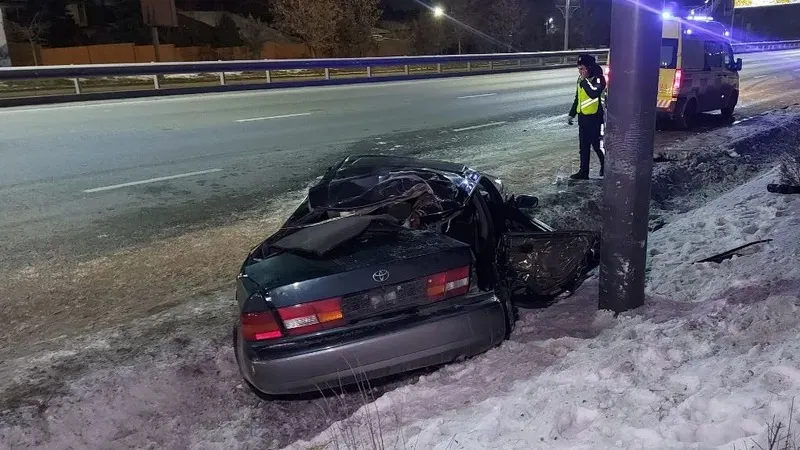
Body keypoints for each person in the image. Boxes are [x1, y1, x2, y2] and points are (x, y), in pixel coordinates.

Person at [567, 54, 607, 179]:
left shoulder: (599, 79)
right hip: (583, 118)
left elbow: (594, 93)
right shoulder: (580, 79)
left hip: (596, 118)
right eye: (579, 69)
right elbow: (577, 98)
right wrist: (572, 114)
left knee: (597, 146)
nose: (580, 72)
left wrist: (584, 81)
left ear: (589, 67)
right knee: (583, 147)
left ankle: (605, 166)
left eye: (582, 69)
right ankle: (584, 172)